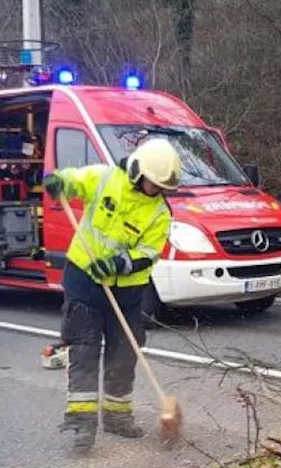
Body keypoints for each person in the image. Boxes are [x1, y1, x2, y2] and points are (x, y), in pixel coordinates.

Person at [43, 138, 182, 452]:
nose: (156, 190)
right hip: (84, 280)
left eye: (161, 187)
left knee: (124, 352)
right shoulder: (105, 178)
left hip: (127, 291)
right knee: (84, 348)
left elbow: (149, 252)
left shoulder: (160, 213)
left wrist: (119, 263)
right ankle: (81, 422)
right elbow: (75, 181)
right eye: (152, 183)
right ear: (136, 171)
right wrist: (59, 181)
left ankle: (118, 418)